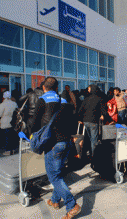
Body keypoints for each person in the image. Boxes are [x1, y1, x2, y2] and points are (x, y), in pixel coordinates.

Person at [30, 77, 81, 218]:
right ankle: (54, 200)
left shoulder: (43, 100)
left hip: (52, 144)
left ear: (44, 87)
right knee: (57, 174)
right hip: (66, 142)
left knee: (54, 177)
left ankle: (72, 205)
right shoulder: (63, 100)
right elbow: (72, 120)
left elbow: (34, 124)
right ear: (57, 88)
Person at [78, 84, 107, 158]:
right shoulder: (99, 99)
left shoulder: (86, 99)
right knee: (94, 140)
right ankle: (94, 157)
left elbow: (80, 110)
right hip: (93, 121)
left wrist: (80, 119)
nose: (88, 90)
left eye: (89, 89)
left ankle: (84, 155)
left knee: (87, 139)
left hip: (85, 121)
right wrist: (105, 117)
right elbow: (104, 111)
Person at [0, 91, 18, 155]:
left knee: (6, 137)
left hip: (5, 122)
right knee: (12, 136)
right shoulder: (14, 104)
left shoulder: (2, 104)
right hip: (13, 122)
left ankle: (8, 150)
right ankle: (13, 149)